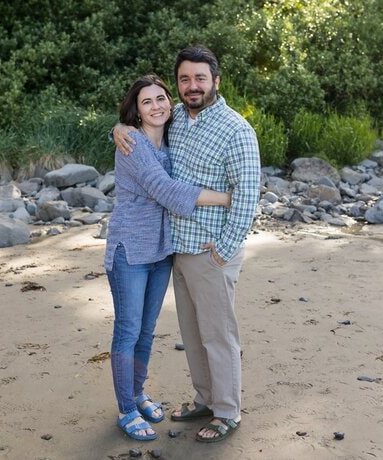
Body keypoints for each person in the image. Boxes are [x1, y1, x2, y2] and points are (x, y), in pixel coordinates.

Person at [114, 45, 260, 443]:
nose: (191, 86)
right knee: (193, 334)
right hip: (177, 248)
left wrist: (223, 251)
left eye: (200, 78)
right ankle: (205, 398)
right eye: (184, 79)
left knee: (218, 334)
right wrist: (118, 128)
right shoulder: (177, 117)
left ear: (216, 80)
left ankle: (227, 410)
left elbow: (247, 195)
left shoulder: (236, 129)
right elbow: (142, 122)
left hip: (212, 251)